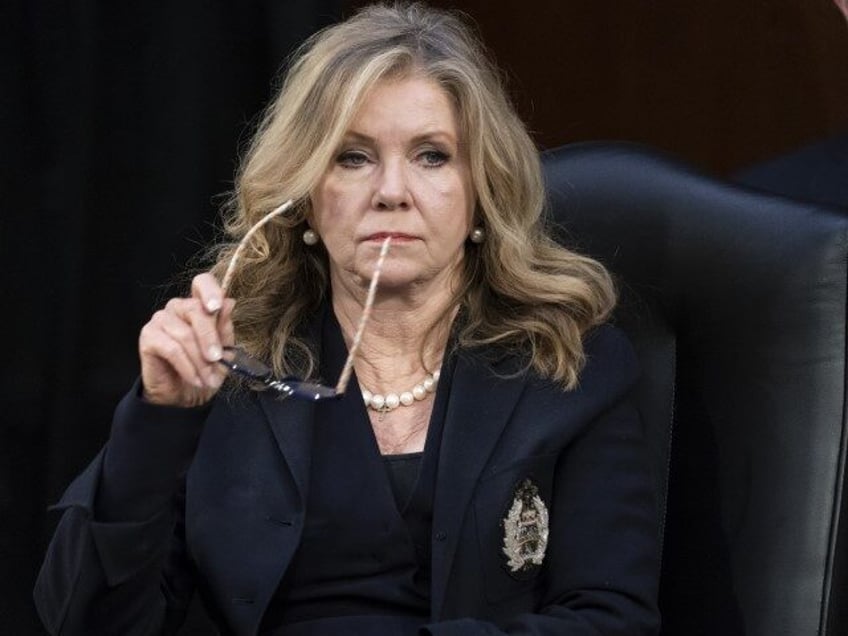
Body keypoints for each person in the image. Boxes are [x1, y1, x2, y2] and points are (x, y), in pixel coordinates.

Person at [34, 3, 660, 634]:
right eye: (353, 157)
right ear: (305, 198)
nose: (392, 190)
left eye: (432, 156)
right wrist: (158, 419)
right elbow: (86, 620)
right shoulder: (230, 361)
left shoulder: (567, 362)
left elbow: (612, 621)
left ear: (482, 193)